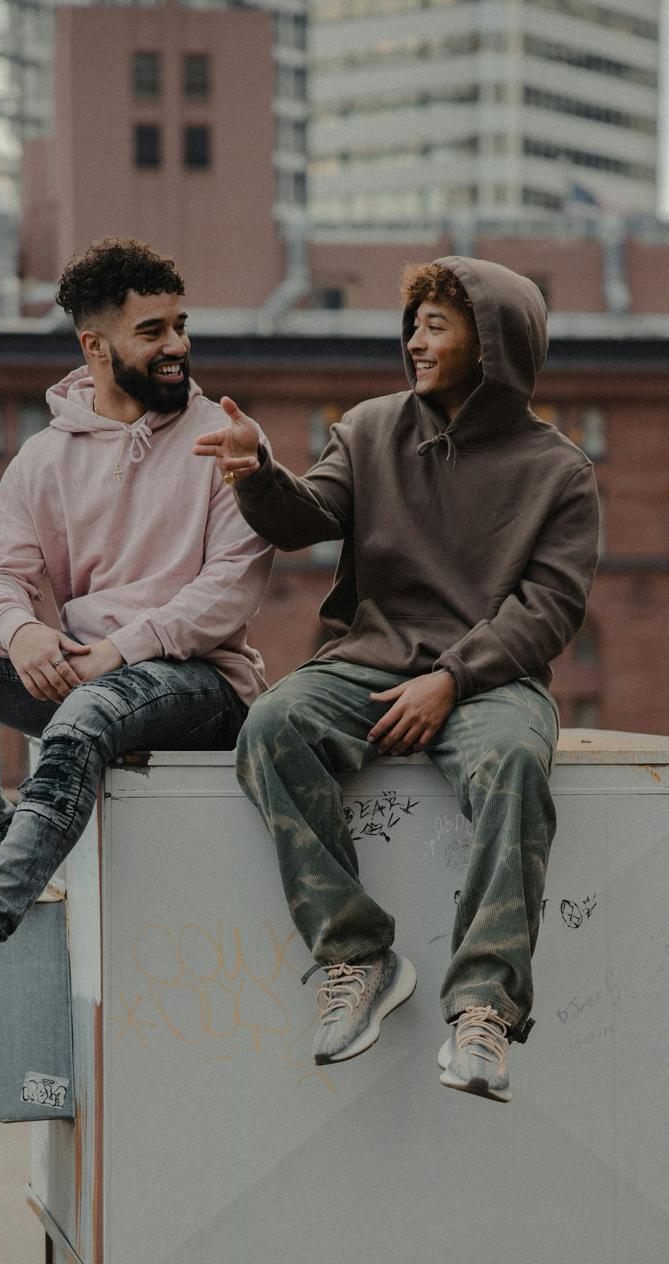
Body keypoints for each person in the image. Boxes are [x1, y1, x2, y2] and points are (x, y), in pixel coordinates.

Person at [194, 256, 600, 1102]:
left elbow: (547, 611)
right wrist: (255, 473)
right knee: (272, 727)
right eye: (411, 323)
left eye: (436, 325)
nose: (414, 340)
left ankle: (483, 1008)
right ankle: (356, 957)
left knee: (514, 766)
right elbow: (307, 518)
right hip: (370, 661)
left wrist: (450, 679)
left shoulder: (560, 472)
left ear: (492, 344)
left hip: (492, 679)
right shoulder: (372, 427)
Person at [0, 237, 273, 1022]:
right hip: (91, 672)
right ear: (95, 346)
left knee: (83, 715)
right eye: (152, 331)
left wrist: (121, 648)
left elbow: (232, 589)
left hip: (200, 685)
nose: (177, 346)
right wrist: (19, 632)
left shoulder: (225, 437)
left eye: (180, 326)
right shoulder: (44, 458)